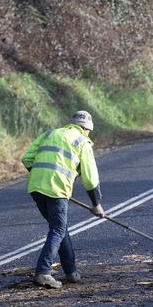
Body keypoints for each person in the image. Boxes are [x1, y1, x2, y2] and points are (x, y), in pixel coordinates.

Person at [21, 110, 105, 289]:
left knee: (59, 228)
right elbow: (90, 178)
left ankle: (70, 271)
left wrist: (42, 176)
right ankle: (43, 272)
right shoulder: (82, 142)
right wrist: (96, 204)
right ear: (86, 129)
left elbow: (26, 158)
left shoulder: (50, 134)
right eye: (89, 130)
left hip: (35, 186)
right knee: (58, 229)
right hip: (56, 189)